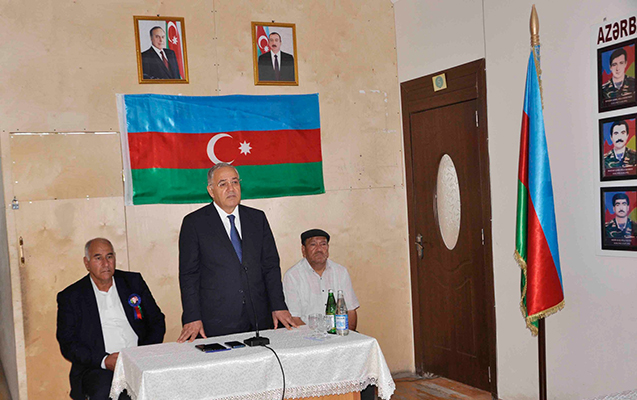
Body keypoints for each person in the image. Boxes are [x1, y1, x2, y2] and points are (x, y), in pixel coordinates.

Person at [177, 163, 296, 342]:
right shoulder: (194, 223)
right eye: (223, 184)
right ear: (211, 190)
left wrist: (278, 305)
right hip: (216, 319)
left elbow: (270, 266)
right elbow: (189, 275)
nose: (231, 188)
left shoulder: (257, 218)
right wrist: (192, 317)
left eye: (235, 182)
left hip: (259, 316)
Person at [56, 238, 166, 400]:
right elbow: (68, 343)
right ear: (87, 263)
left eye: (109, 256)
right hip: (98, 367)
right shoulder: (71, 296)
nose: (106, 263)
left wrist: (143, 354)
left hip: (140, 360)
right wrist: (103, 360)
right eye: (98, 258)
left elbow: (156, 321)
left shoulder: (133, 282)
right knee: (107, 391)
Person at [282, 229, 359, 331]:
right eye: (313, 244)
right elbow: (294, 318)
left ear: (328, 248)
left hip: (339, 333)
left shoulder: (341, 272)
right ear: (303, 250)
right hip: (307, 336)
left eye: (323, 244)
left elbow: (351, 310)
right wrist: (317, 338)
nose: (319, 249)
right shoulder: (292, 276)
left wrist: (348, 336)